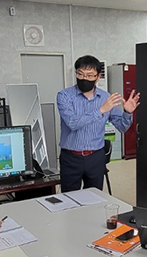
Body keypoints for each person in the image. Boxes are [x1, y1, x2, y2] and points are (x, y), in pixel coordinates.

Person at [56, 55, 140, 192]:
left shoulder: (106, 97)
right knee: (69, 198)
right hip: (71, 158)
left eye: (89, 75)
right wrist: (101, 110)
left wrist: (127, 112)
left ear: (98, 77)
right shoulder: (64, 96)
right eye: (80, 74)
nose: (84, 78)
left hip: (95, 157)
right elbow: (72, 123)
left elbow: (122, 127)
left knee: (94, 197)